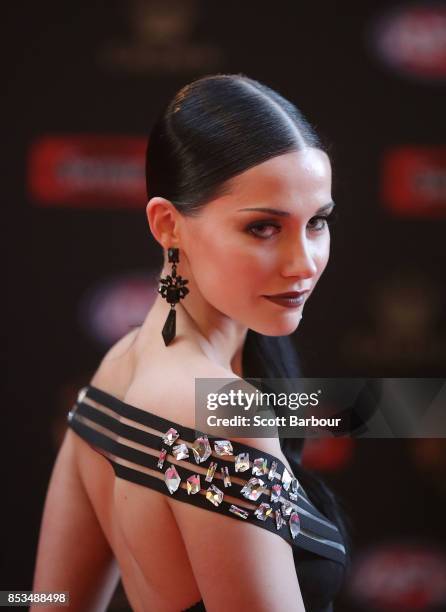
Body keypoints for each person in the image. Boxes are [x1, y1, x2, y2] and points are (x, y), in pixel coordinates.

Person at [32, 74, 349, 612]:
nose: (304, 264)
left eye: (317, 222)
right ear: (168, 225)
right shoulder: (224, 411)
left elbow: (46, 601)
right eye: (263, 228)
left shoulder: (118, 368)